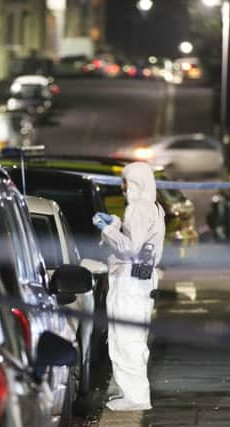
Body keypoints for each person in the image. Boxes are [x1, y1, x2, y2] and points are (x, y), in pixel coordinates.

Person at [92, 162, 166, 411]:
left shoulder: (138, 208)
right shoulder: (154, 207)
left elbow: (129, 248)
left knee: (126, 339)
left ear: (136, 184)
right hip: (142, 280)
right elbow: (138, 238)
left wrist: (108, 230)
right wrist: (115, 223)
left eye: (126, 184)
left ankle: (135, 398)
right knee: (133, 338)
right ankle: (135, 394)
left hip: (130, 281)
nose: (123, 189)